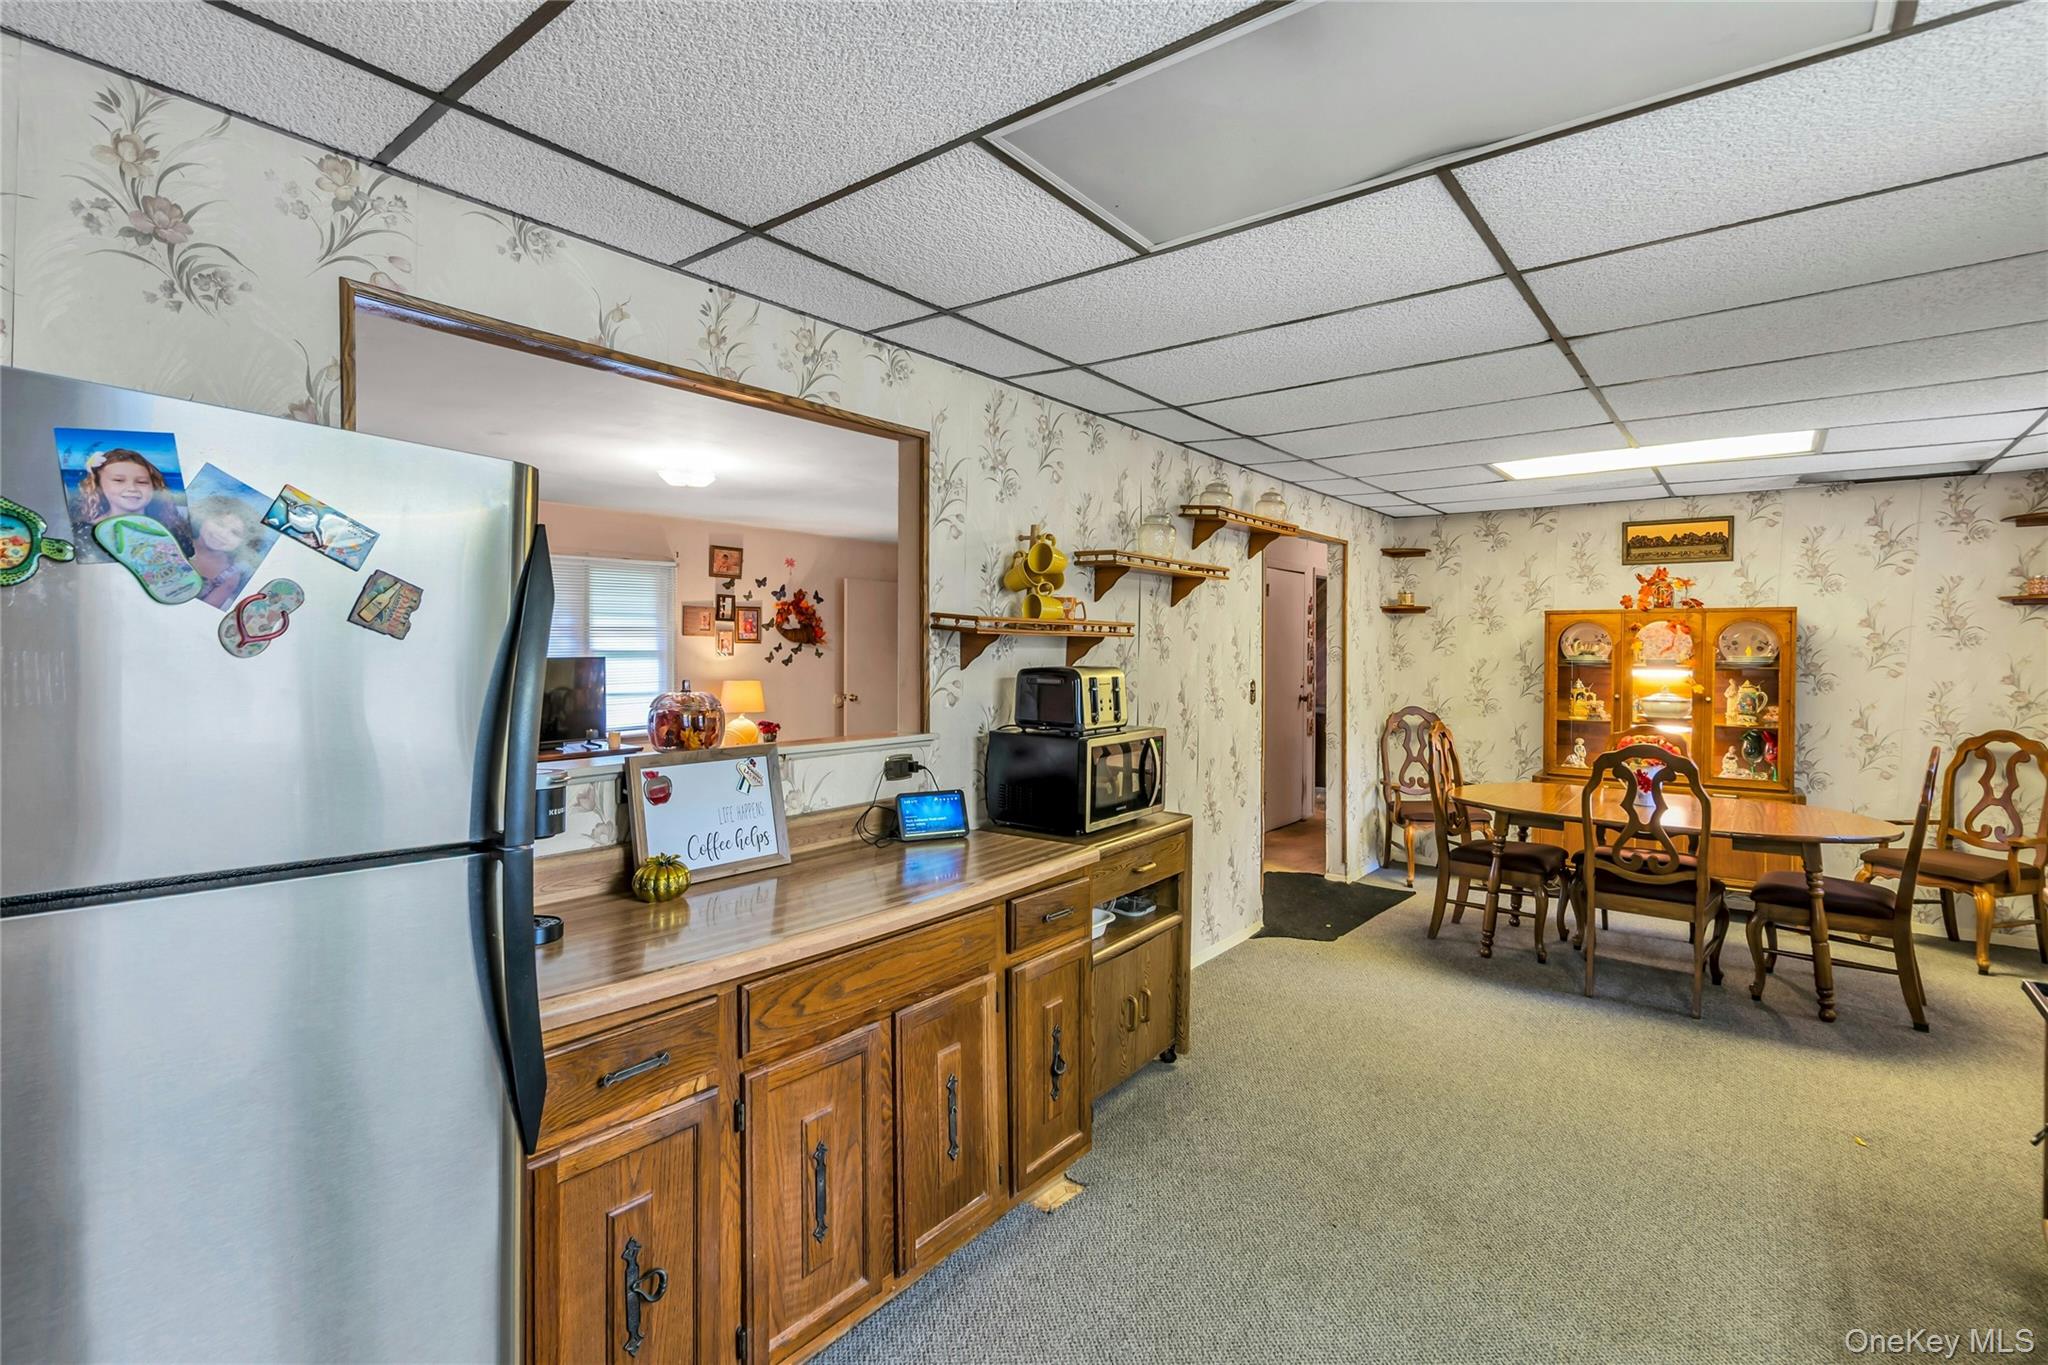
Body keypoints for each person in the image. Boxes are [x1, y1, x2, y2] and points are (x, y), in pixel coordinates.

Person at [70, 448, 191, 553]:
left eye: (142, 482)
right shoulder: (84, 533)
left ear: (154, 487)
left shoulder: (174, 531)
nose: (132, 488)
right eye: (118, 480)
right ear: (98, 485)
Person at [187, 494, 259, 609]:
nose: (222, 534)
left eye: (235, 533)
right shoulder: (178, 539)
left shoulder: (229, 576)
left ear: (245, 543)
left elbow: (201, 611)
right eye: (219, 524)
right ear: (203, 517)